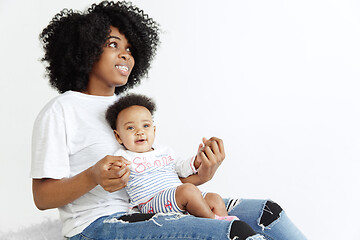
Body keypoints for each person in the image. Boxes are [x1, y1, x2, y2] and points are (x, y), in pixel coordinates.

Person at [31, 1, 307, 239]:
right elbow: (42, 197)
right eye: (113, 44)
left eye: (130, 47)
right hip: (96, 226)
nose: (126, 54)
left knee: (267, 213)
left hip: (152, 207)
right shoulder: (61, 110)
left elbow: (153, 180)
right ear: (86, 50)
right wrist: (93, 175)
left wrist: (201, 174)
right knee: (232, 233)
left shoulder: (129, 109)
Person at [105, 93, 239, 221]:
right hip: (150, 203)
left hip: (177, 197)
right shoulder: (123, 156)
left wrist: (198, 159)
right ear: (118, 136)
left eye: (146, 126)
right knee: (188, 190)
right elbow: (115, 174)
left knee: (215, 199)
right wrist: (116, 170)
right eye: (130, 128)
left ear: (154, 130)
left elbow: (182, 168)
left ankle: (225, 229)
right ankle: (214, 223)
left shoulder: (165, 151)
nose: (140, 132)